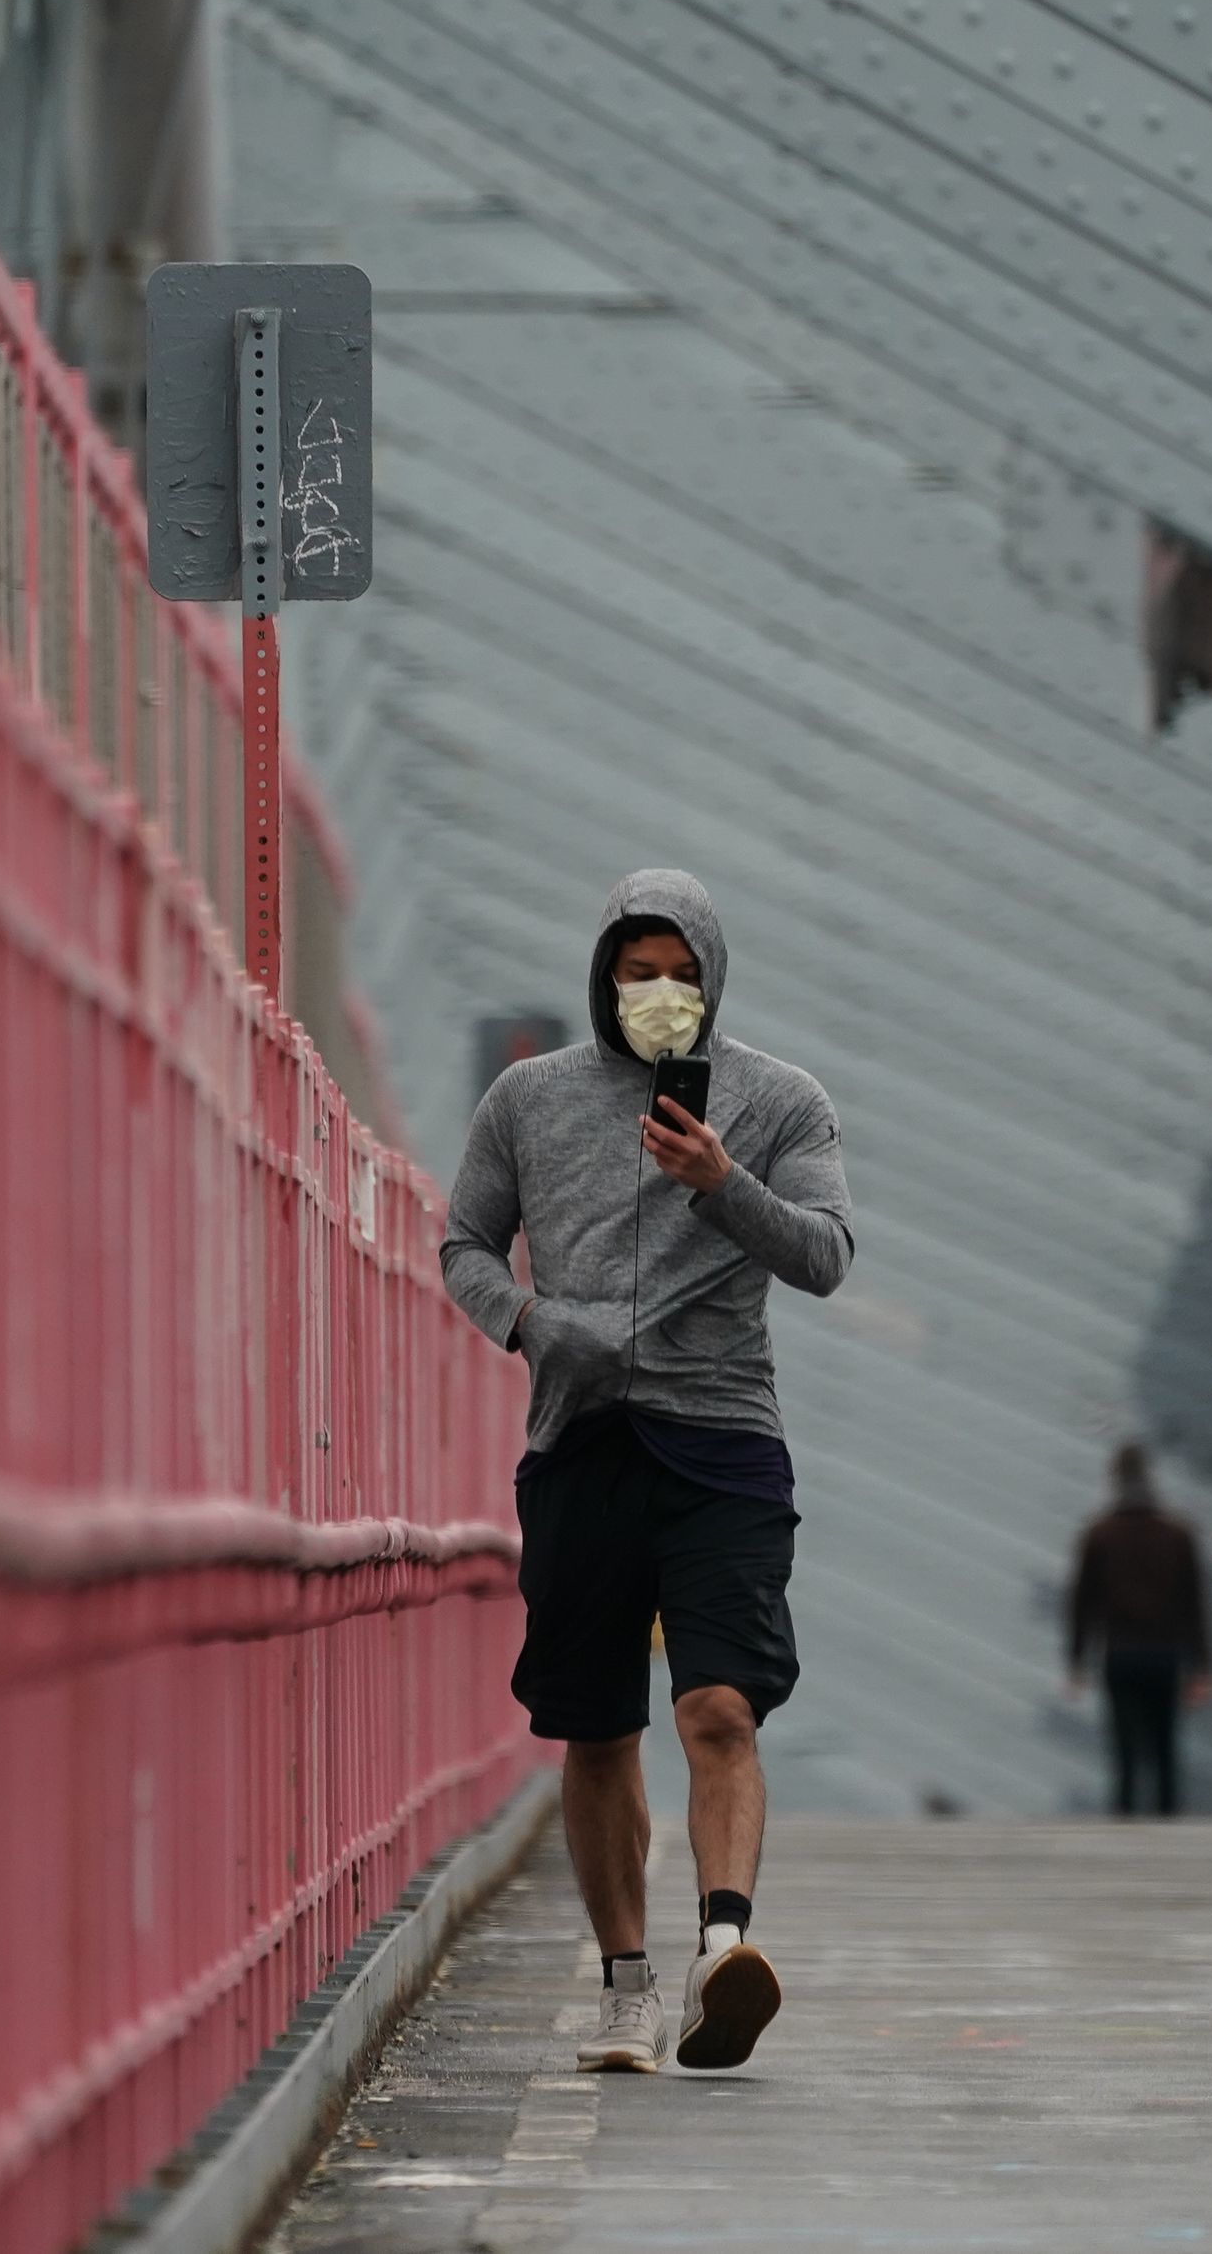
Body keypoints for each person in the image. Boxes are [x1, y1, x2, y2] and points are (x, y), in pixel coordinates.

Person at [443, 870, 853, 2075]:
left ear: (713, 978)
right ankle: (625, 1986)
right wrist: (526, 1322)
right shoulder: (529, 1099)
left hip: (722, 1438)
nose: (662, 994)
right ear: (604, 974)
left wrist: (723, 1184)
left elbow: (827, 1256)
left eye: (683, 973)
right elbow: (462, 1242)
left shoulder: (781, 1103)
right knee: (597, 1725)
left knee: (719, 1705)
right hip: (581, 1441)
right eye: (640, 972)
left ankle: (722, 1951)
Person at [1061, 1442, 1212, 1817]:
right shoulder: (1178, 1534)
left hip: (1121, 1654)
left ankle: (1124, 1822)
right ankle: (1168, 1823)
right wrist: (1202, 1666)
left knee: (1124, 1749)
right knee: (1165, 1749)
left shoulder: (1098, 1534)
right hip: (1165, 1655)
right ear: (1150, 1478)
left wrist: (1076, 1661)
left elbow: (1082, 1603)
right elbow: (1194, 1604)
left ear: (1114, 1480)